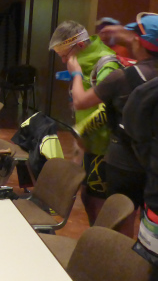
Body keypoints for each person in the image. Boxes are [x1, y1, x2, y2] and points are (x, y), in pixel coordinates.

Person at [66, 13, 158, 233]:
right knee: (150, 225)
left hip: (124, 162)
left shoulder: (122, 77)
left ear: (138, 41)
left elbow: (80, 101)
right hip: (154, 163)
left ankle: (118, 254)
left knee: (121, 223)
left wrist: (76, 74)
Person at [49, 20, 120, 225]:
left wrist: (81, 130)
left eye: (65, 55)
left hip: (103, 146)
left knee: (98, 202)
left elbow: (108, 107)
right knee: (87, 196)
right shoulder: (82, 62)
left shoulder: (106, 63)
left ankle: (101, 241)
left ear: (80, 45)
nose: (64, 60)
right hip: (90, 142)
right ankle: (94, 237)